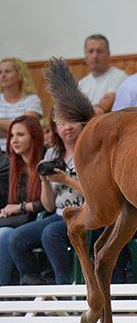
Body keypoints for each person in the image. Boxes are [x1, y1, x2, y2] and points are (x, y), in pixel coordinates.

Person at [8, 113, 85, 285]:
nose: (67, 127)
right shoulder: (52, 153)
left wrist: (67, 180)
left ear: (83, 124)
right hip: (59, 214)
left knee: (51, 233)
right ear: (55, 128)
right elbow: (49, 206)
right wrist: (43, 180)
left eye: (72, 121)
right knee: (17, 239)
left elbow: (97, 196)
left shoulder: (90, 151)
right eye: (61, 123)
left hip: (85, 213)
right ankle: (38, 286)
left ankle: (63, 290)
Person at [0, 115, 47, 285]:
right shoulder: (11, 165)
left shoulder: (45, 161)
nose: (14, 140)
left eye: (20, 135)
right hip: (14, 222)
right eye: (12, 135)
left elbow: (47, 204)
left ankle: (3, 294)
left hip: (37, 221)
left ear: (34, 137)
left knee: (3, 235)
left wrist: (20, 207)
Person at [77, 34, 128, 115]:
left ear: (108, 54)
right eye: (91, 51)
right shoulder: (82, 84)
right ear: (85, 55)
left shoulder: (120, 77)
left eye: (99, 51)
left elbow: (104, 106)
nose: (95, 56)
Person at [0, 58, 43, 152]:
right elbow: (19, 129)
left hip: (23, 153)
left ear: (20, 75)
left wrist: (3, 128)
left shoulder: (32, 99)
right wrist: (14, 128)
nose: (3, 75)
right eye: (0, 72)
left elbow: (26, 127)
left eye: (7, 71)